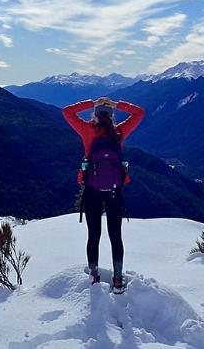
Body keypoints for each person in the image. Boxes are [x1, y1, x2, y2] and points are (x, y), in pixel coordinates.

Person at [62, 96, 145, 293]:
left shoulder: (88, 131)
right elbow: (139, 113)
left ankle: (94, 277)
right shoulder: (119, 132)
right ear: (112, 115)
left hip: (92, 190)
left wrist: (92, 102)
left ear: (95, 115)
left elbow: (67, 112)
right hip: (115, 191)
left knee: (94, 235)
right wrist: (116, 104)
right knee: (116, 235)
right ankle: (117, 280)